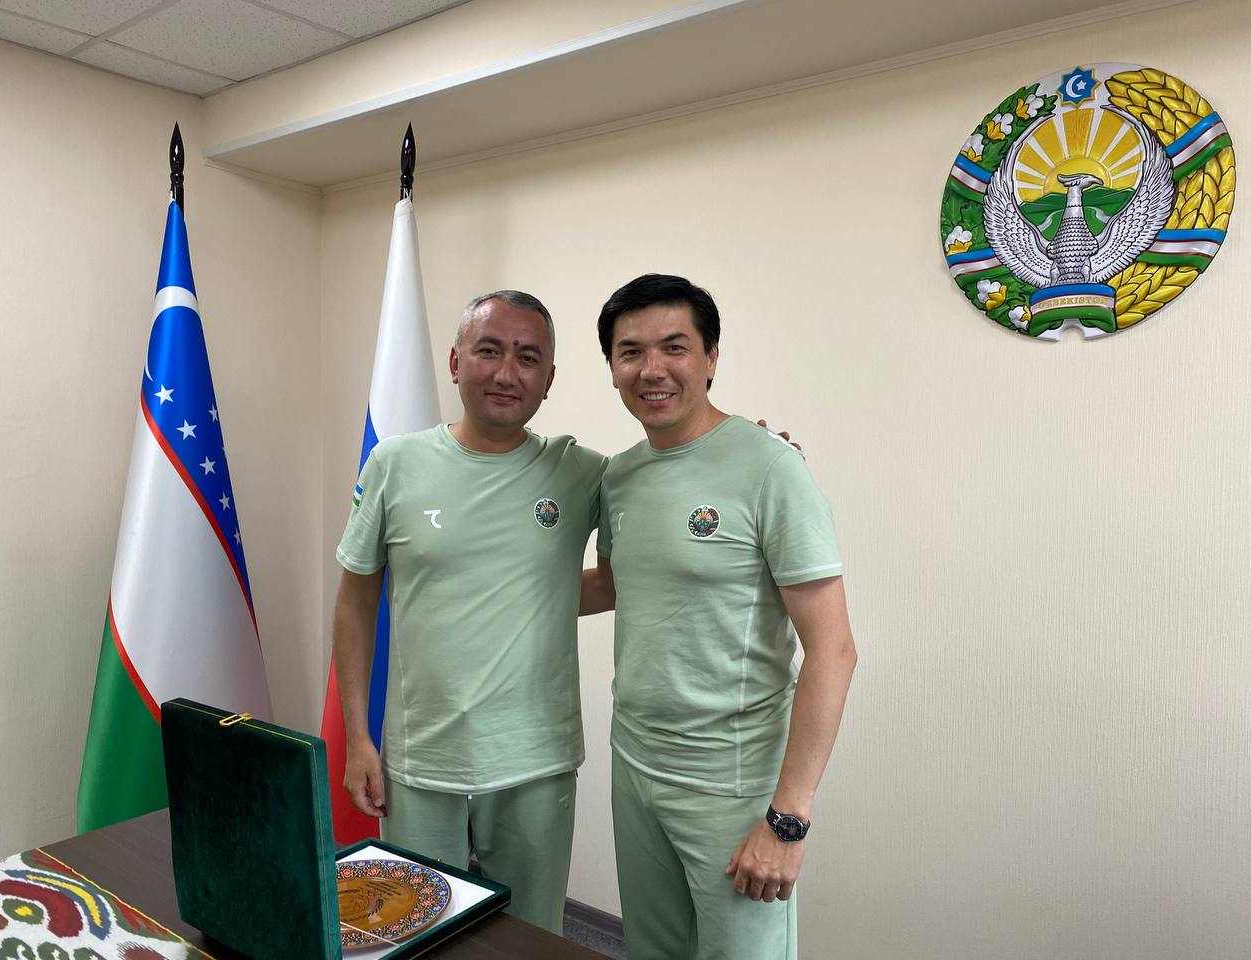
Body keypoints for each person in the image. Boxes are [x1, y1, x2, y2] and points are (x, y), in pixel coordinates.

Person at [586, 274, 857, 960]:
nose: (652, 369)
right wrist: (473, 582)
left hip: (731, 781)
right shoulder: (619, 476)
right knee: (653, 949)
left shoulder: (770, 468)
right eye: (630, 352)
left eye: (674, 347)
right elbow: (617, 584)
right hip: (635, 762)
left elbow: (833, 650)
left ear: (710, 357)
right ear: (612, 367)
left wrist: (787, 821)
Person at [332, 290, 606, 933]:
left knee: (532, 936)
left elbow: (634, 566)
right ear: (456, 363)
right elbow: (356, 599)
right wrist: (358, 737)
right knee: (415, 931)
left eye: (527, 358)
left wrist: (749, 459)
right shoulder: (395, 463)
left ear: (549, 379)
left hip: (536, 759)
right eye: (489, 350)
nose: (507, 373)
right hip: (423, 757)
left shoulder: (582, 472)